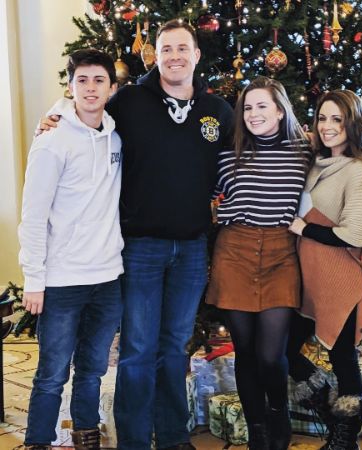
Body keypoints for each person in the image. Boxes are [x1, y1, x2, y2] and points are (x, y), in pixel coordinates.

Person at [38, 19, 233, 450]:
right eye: (166, 49)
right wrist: (53, 115)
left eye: (182, 48)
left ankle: (174, 436)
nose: (175, 57)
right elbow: (84, 109)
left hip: (192, 249)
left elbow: (240, 158)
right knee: (139, 348)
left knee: (175, 346)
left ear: (196, 55)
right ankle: (134, 440)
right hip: (141, 247)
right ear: (154, 56)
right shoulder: (128, 101)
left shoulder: (217, 110)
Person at [19, 49, 123, 450]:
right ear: (70, 86)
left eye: (99, 80)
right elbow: (33, 215)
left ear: (112, 87)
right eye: (82, 80)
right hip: (62, 280)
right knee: (52, 373)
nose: (91, 88)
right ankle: (38, 441)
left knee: (93, 370)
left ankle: (86, 435)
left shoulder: (117, 135)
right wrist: (34, 279)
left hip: (107, 278)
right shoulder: (52, 140)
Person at [205, 76, 313, 450]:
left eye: (262, 106)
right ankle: (257, 430)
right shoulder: (227, 153)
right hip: (234, 251)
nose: (253, 114)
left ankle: (278, 411)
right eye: (248, 108)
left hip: (282, 254)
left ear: (280, 111)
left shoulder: (305, 152)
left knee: (271, 354)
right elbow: (194, 186)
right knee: (246, 351)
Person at [287, 90, 362, 450]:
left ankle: (345, 439)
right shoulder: (315, 163)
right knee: (285, 352)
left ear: (352, 123)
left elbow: (356, 233)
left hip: (341, 278)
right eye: (322, 118)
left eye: (337, 119)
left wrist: (304, 229)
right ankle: (334, 419)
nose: (327, 126)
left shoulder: (357, 170)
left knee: (342, 358)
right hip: (310, 278)